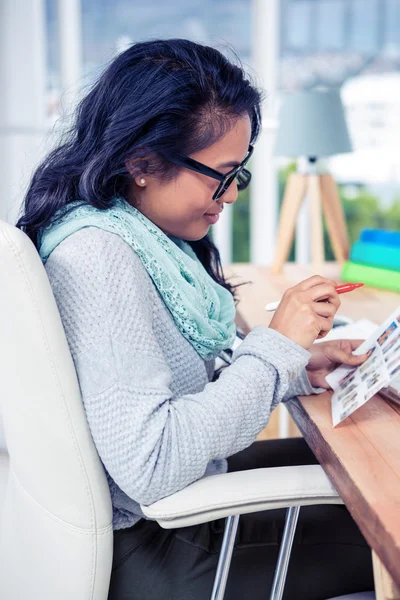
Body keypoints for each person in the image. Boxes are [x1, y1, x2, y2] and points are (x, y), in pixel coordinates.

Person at [17, 39, 374, 600]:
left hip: (176, 515)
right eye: (221, 174)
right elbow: (154, 463)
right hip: (162, 544)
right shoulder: (98, 259)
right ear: (141, 163)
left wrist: (298, 364)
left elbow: (180, 386)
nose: (231, 196)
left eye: (240, 173)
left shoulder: (136, 236)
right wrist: (276, 346)